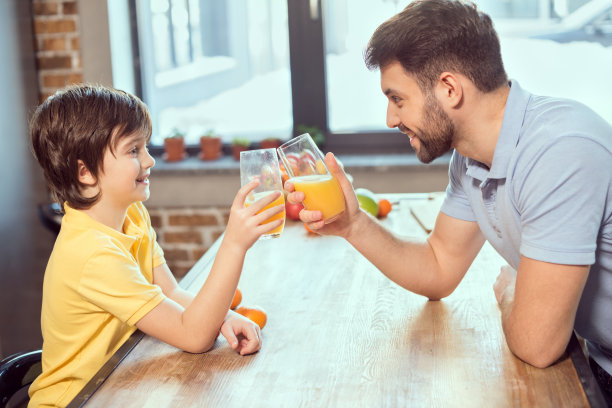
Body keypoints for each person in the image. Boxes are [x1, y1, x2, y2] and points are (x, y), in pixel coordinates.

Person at [286, 0, 612, 402]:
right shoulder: (471, 157)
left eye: (398, 98)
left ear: (449, 89)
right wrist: (354, 225)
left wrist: (512, 293)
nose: (390, 118)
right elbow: (439, 268)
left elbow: (538, 345)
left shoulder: (560, 150)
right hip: (599, 356)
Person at [27, 84, 284, 407]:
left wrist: (224, 317)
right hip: (77, 401)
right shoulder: (91, 252)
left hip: (120, 385)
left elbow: (171, 294)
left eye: (145, 146)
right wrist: (234, 243)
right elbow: (193, 337)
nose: (149, 160)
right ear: (86, 171)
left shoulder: (132, 215)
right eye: (133, 150)